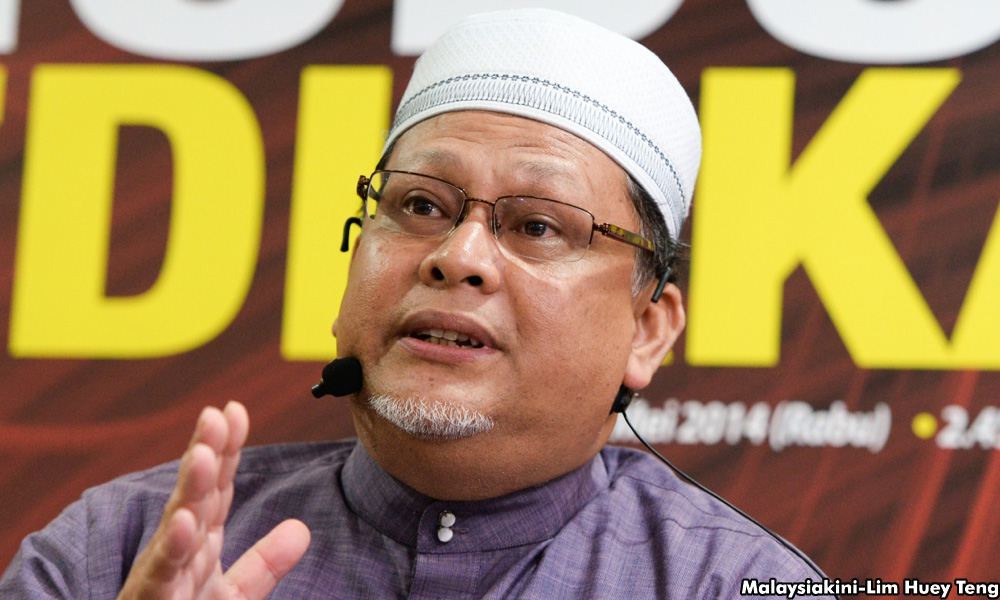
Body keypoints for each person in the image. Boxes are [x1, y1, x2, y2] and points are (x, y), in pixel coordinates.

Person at [1, 8, 835, 599]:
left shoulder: (732, 585)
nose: (457, 257)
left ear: (647, 330)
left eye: (538, 225)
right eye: (422, 205)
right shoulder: (121, 550)